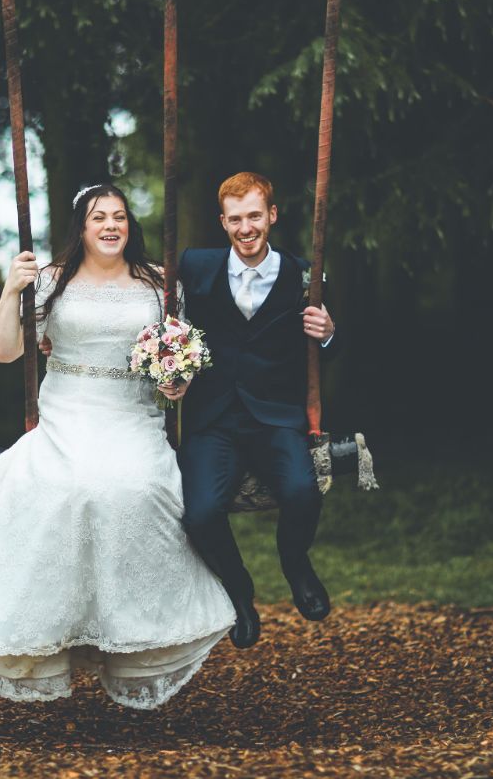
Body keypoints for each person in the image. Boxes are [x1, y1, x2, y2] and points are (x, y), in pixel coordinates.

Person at [0, 184, 235, 709]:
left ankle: (137, 639)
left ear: (129, 225)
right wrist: (11, 289)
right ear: (82, 228)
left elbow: (178, 360)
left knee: (135, 489)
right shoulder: (50, 281)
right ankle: (54, 632)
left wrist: (176, 381)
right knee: (55, 487)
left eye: (119, 216)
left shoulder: (159, 284)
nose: (111, 225)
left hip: (131, 416)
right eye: (98, 217)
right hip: (66, 414)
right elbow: (4, 351)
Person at [176, 171, 339, 649]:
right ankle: (238, 592)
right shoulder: (194, 265)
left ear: (271, 215)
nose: (245, 228)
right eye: (235, 219)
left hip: (275, 416)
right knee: (200, 514)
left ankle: (296, 564)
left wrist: (329, 333)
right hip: (213, 419)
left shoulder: (304, 275)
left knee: (303, 493)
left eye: (254, 216)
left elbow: (326, 350)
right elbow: (148, 294)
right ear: (222, 222)